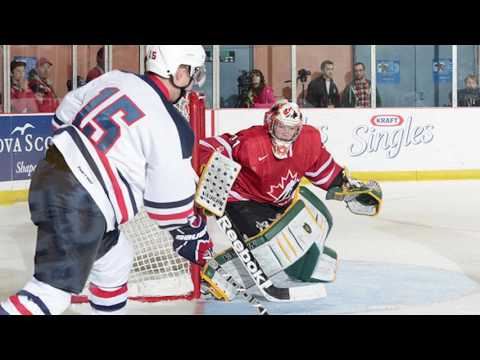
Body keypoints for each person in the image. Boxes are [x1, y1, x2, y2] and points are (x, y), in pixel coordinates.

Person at [0, 45, 212, 315]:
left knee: (115, 259)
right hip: (81, 203)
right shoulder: (172, 124)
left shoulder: (117, 78)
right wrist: (190, 231)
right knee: (49, 296)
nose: (192, 83)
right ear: (180, 73)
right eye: (192, 74)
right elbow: (167, 208)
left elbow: (62, 116)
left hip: (49, 174)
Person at [198, 100, 382, 297]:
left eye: (292, 129)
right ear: (270, 123)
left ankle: (302, 264)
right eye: (281, 127)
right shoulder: (251, 141)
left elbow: (325, 171)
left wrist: (348, 188)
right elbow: (207, 147)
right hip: (243, 200)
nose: (286, 133)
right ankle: (218, 273)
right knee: (272, 242)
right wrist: (209, 173)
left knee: (314, 225)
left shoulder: (309, 141)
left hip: (280, 203)